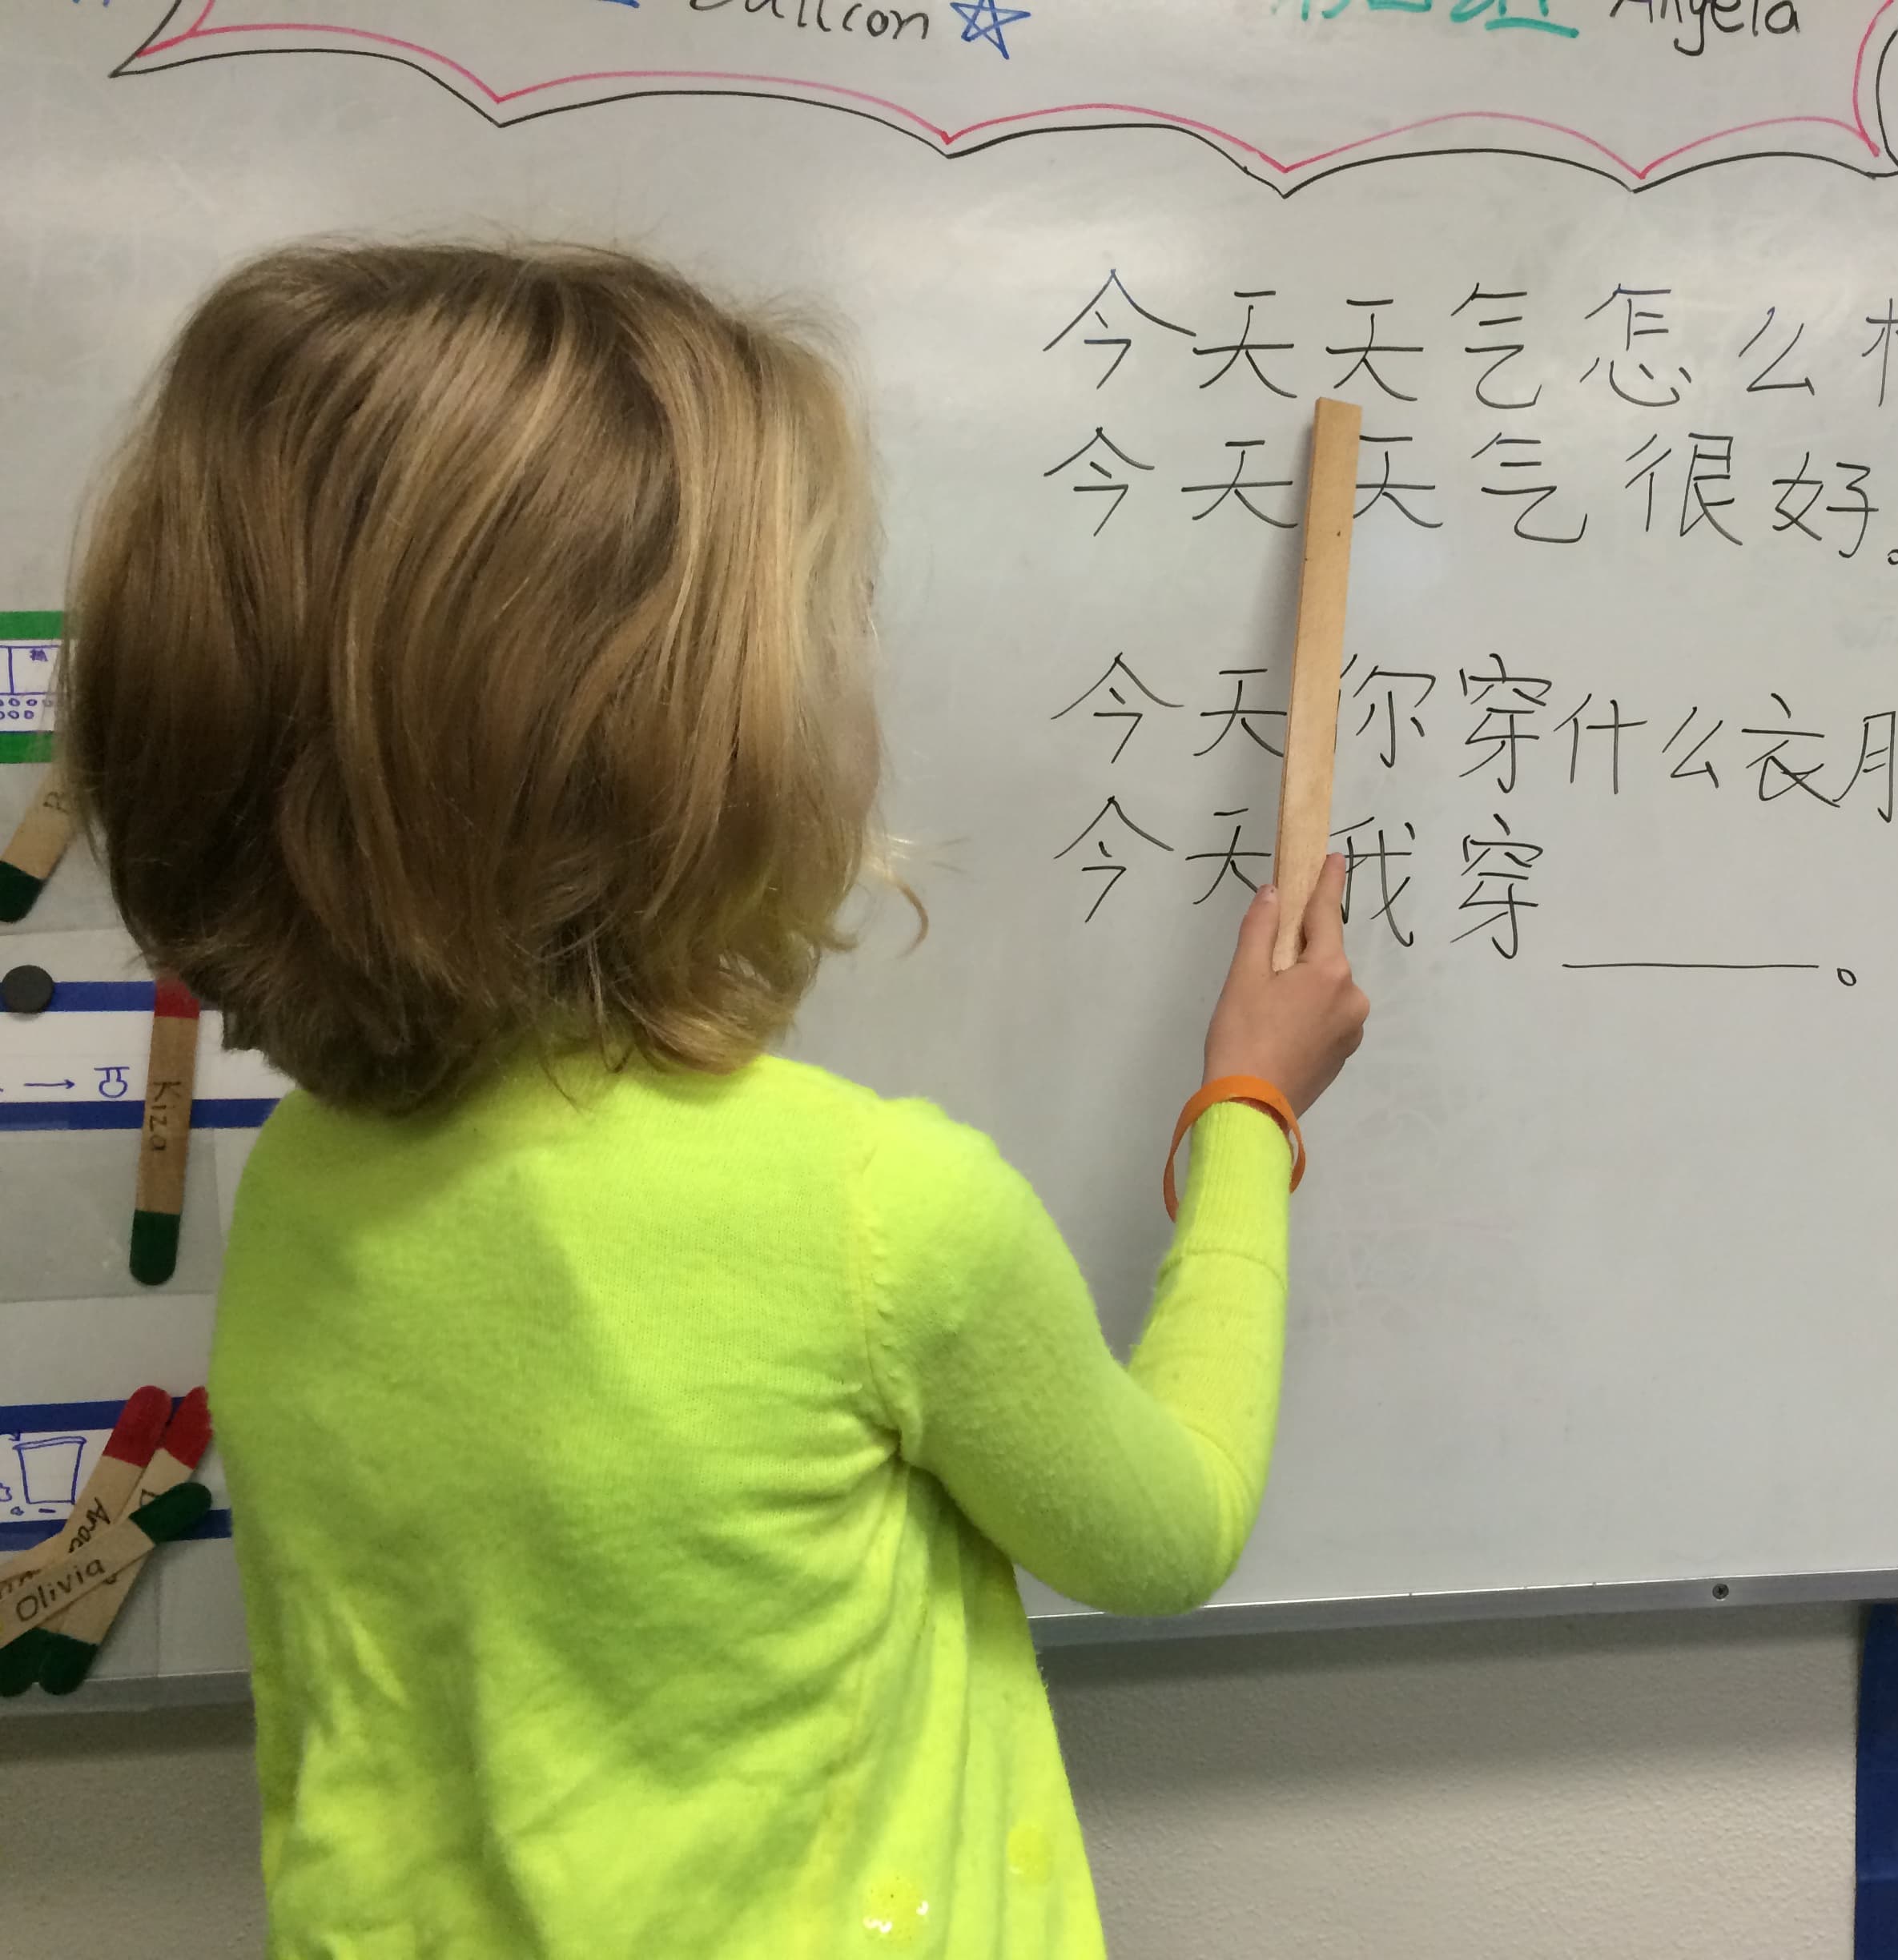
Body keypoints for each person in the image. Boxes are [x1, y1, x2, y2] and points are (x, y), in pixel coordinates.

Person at [58, 242, 1367, 1958]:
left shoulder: (306, 1193)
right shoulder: (870, 1217)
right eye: (819, 636)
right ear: (703, 756)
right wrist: (1249, 1118)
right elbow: (1168, 1528)